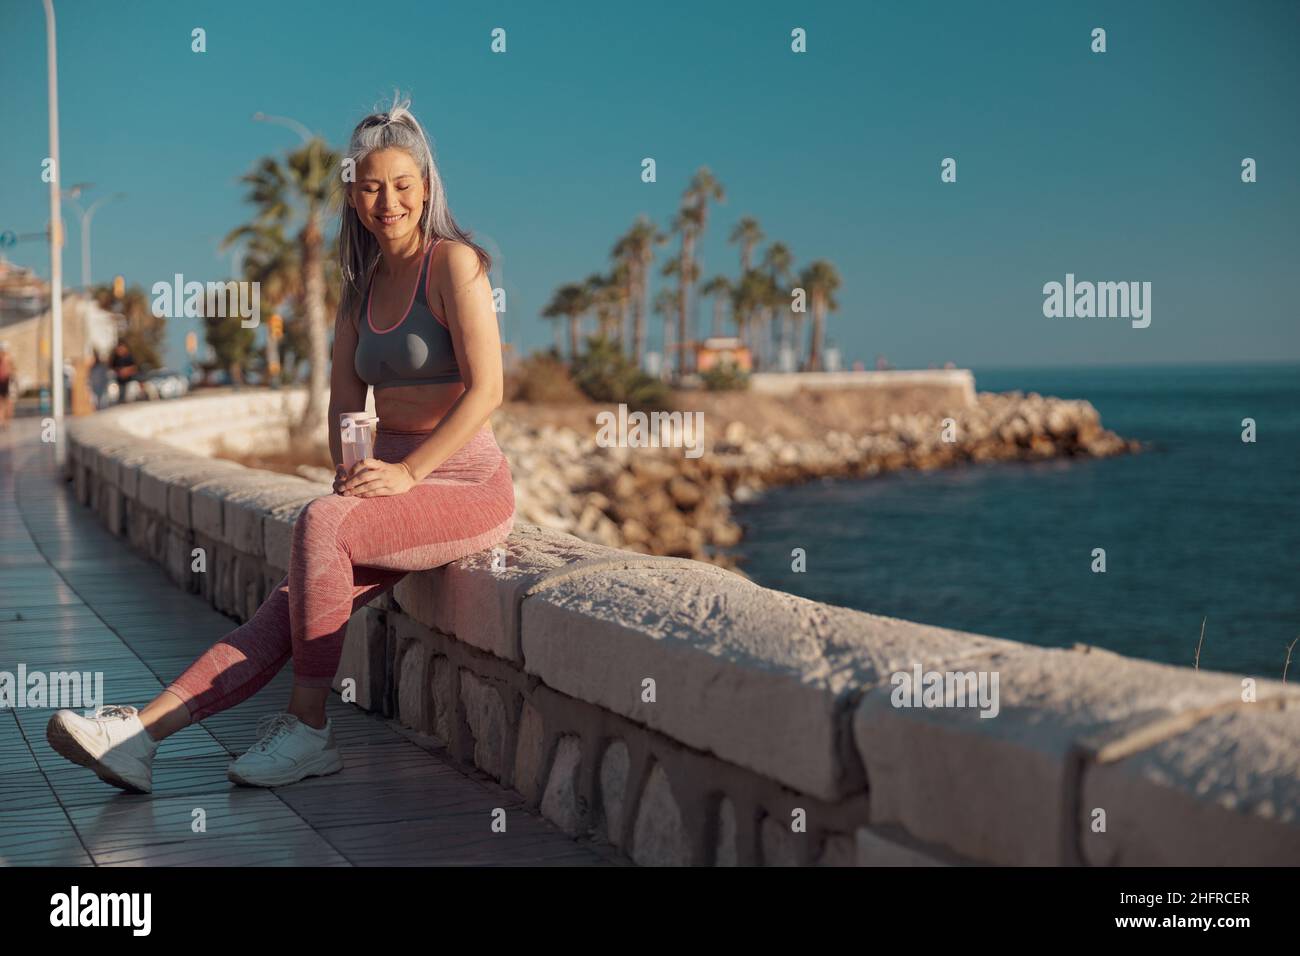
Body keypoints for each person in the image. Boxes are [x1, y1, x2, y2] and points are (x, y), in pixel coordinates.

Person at [46, 96, 515, 792]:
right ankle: (138, 737)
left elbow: (488, 390)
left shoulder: (455, 265)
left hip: (467, 485)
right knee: (289, 604)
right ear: (353, 196)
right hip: (391, 483)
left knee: (319, 525)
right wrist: (350, 470)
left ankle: (309, 729)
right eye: (371, 186)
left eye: (402, 185)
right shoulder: (359, 293)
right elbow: (344, 401)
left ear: (425, 188)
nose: (388, 201)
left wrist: (409, 473)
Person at [108, 338, 138, 403]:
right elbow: (112, 368)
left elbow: (134, 367)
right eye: (119, 348)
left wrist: (126, 370)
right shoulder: (115, 358)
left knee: (129, 398)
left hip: (129, 381)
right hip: (119, 382)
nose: (120, 350)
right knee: (120, 398)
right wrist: (119, 371)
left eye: (122, 348)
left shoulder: (129, 357)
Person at [0, 341, 14, 426]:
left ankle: (5, 420)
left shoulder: (7, 358)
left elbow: (12, 369)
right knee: (3, 401)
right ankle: (3, 420)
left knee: (7, 401)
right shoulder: (6, 358)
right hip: (3, 381)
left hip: (6, 381)